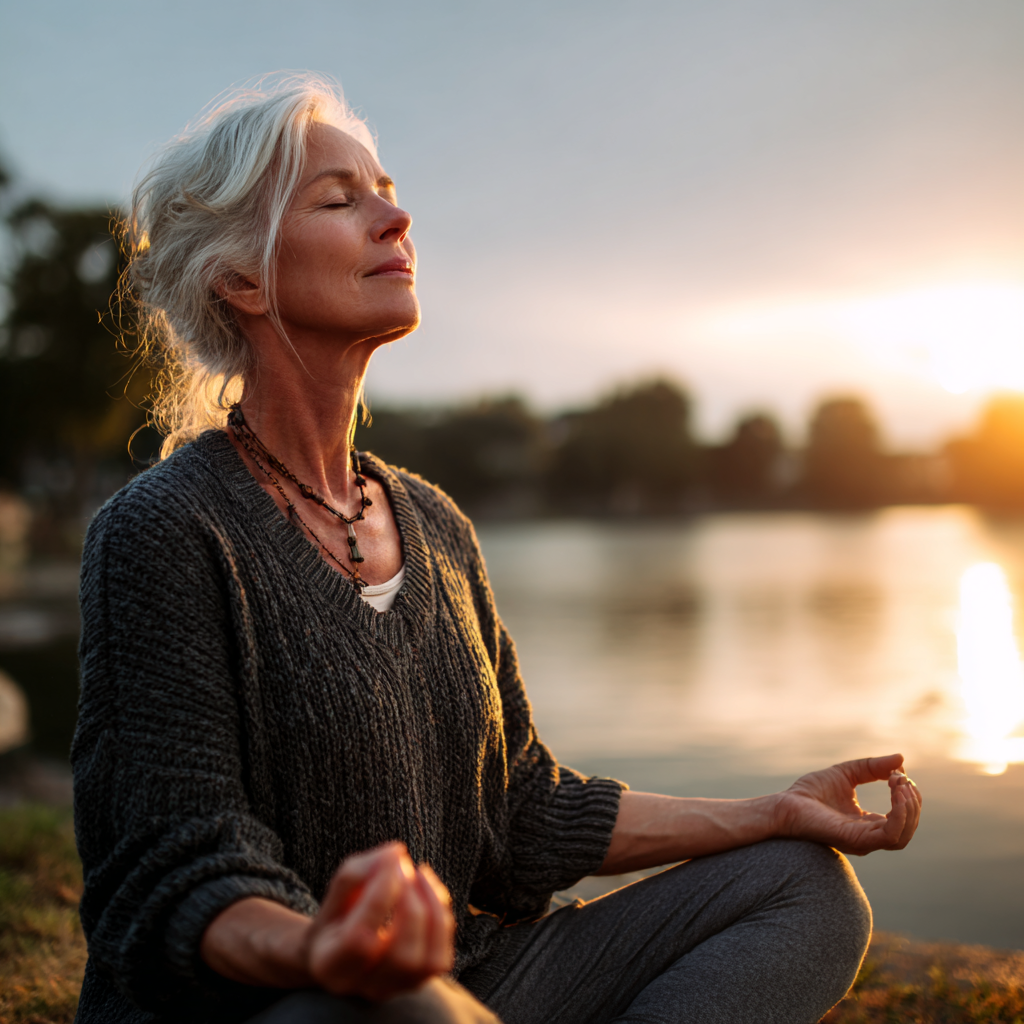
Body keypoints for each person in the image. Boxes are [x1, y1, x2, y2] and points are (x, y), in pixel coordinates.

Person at [72, 74, 922, 1024]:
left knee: (803, 888)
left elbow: (522, 811)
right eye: (340, 200)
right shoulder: (165, 532)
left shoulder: (433, 525)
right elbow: (174, 868)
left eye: (386, 190)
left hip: (480, 982)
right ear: (241, 278)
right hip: (289, 1001)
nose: (395, 218)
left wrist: (771, 811)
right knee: (403, 1008)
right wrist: (327, 947)